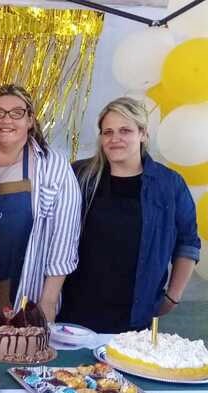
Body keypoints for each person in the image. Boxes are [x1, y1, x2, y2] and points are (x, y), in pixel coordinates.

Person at [59, 97, 200, 332]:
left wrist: (173, 297)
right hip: (75, 314)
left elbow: (187, 243)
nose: (115, 139)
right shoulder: (79, 175)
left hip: (135, 317)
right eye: (108, 132)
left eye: (125, 130)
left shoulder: (169, 185)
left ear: (143, 134)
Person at [0, 84, 81, 322]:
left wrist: (48, 301)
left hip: (19, 290)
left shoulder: (52, 167)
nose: (7, 120)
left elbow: (64, 238)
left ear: (30, 119)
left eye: (16, 113)